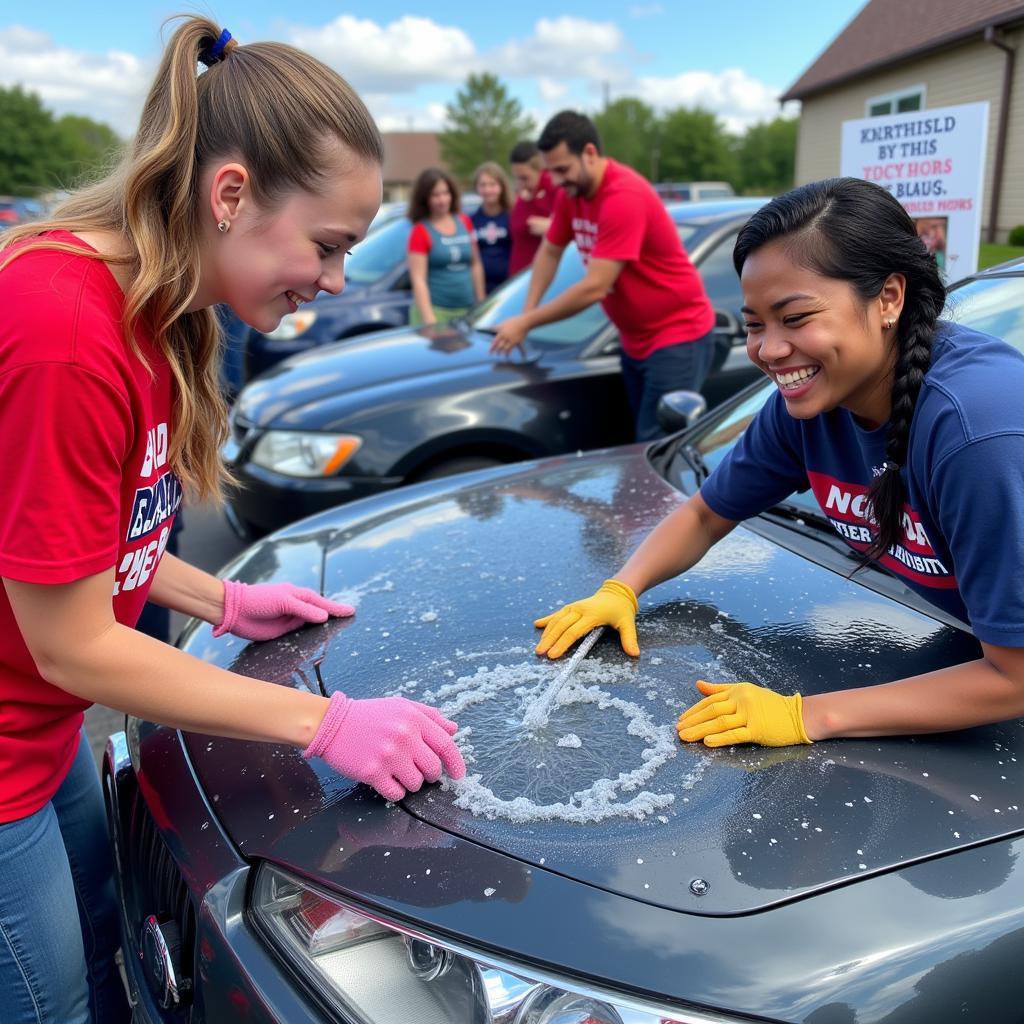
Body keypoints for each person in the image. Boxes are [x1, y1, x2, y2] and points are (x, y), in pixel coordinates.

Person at [0, 19, 465, 1024]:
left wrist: (224, 595)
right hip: (8, 751)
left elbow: (74, 538)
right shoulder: (64, 331)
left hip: (38, 737)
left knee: (109, 952)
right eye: (329, 244)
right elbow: (74, 643)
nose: (338, 279)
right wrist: (328, 723)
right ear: (230, 195)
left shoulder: (147, 310)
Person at [532, 176, 1024, 752]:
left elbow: (1014, 679)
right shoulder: (813, 402)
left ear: (889, 298)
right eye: (754, 324)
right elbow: (706, 514)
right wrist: (622, 588)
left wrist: (806, 716)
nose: (768, 349)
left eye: (795, 318)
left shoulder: (978, 432)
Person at [491, 111, 716, 441]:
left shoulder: (623, 196)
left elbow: (595, 287)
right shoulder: (573, 195)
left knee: (657, 445)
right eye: (550, 171)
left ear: (590, 154)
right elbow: (550, 251)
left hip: (677, 336)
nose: (554, 181)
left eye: (562, 169)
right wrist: (527, 310)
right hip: (634, 339)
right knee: (639, 444)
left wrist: (526, 324)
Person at [407, 167, 484, 326]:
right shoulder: (420, 231)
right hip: (437, 312)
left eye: (445, 193)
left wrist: (481, 303)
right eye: (435, 195)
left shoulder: (464, 221)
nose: (442, 200)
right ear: (425, 198)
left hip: (468, 311)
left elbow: (475, 264)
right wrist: (430, 320)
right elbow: (418, 279)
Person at [507, 141, 556, 276]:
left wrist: (552, 227)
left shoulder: (555, 190)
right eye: (517, 178)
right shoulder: (523, 197)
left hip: (544, 278)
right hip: (520, 277)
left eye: (525, 178)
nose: (520, 184)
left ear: (540, 170)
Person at [469, 160, 513, 292]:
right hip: (482, 289)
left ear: (501, 187)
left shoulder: (512, 217)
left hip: (509, 286)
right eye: (483, 185)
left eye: (492, 185)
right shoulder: (471, 220)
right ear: (477, 188)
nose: (487, 190)